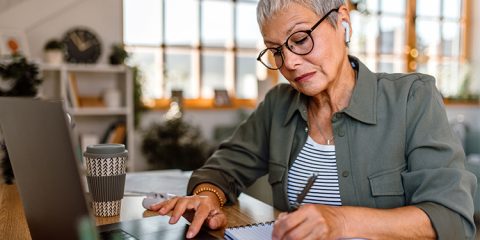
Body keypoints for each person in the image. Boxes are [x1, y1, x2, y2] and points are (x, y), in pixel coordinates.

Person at [150, 0, 477, 239]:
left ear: (341, 21)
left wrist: (342, 221)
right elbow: (223, 167)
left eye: (301, 39)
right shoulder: (278, 105)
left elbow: (451, 218)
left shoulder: (412, 98)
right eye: (276, 50)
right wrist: (208, 195)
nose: (289, 62)